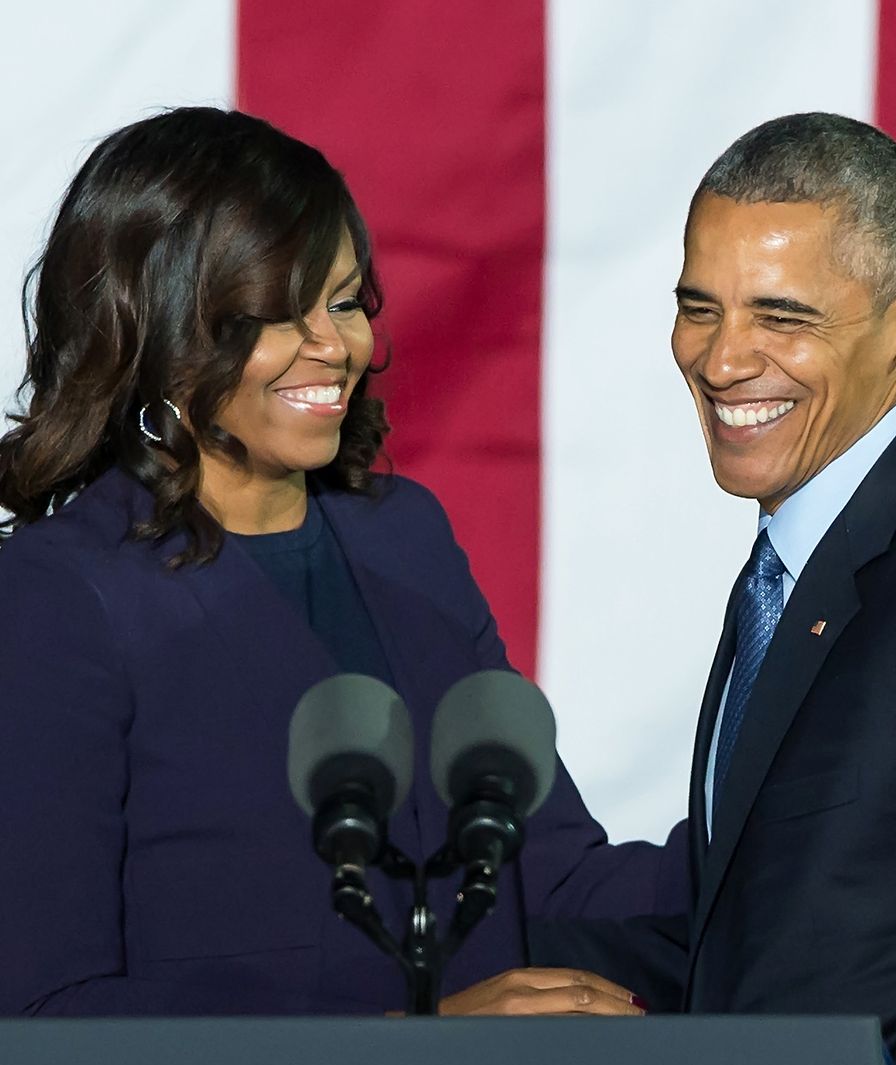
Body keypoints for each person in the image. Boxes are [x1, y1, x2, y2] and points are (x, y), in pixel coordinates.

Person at [0, 107, 681, 1017]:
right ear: (151, 327)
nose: (335, 346)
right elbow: (47, 1011)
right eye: (275, 314)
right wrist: (411, 1045)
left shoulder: (406, 538)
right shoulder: (61, 599)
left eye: (346, 300)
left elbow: (551, 884)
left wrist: (801, 855)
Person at [535, 112, 896, 1065]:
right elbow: (759, 929)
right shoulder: (806, 553)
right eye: (700, 307)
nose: (722, 359)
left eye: (781, 317)